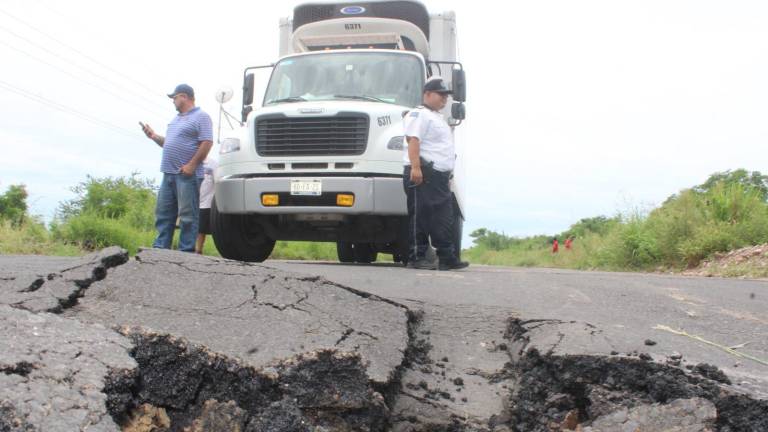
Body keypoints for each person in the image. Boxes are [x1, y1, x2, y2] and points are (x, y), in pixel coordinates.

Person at [403, 77, 468, 271]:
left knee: (443, 217)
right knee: (420, 217)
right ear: (427, 94)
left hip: (439, 176)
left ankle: (447, 257)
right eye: (441, 95)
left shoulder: (436, 117)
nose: (445, 99)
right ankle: (417, 256)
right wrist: (415, 167)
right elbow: (413, 140)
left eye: (446, 95)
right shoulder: (418, 114)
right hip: (423, 173)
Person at [141, 84, 213, 252]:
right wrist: (153, 136)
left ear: (184, 96)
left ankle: (185, 252)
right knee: (164, 214)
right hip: (169, 173)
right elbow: (168, 144)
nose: (173, 101)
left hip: (187, 175)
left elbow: (207, 142)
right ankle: (160, 250)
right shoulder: (175, 119)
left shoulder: (201, 116)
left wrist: (192, 165)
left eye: (174, 97)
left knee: (187, 216)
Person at [196, 157, 218, 254]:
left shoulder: (213, 163)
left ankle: (198, 251)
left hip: (207, 202)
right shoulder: (188, 158)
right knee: (191, 226)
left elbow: (217, 182)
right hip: (192, 201)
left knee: (203, 229)